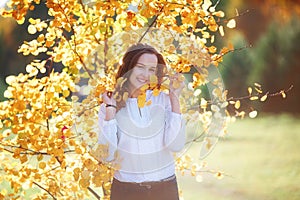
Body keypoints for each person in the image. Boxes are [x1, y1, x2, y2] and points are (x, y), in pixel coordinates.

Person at [98, 43, 185, 200]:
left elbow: (176, 145)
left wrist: (174, 98)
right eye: (140, 67)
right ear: (128, 68)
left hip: (165, 190)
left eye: (151, 69)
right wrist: (110, 110)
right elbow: (107, 155)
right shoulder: (110, 104)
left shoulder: (164, 100)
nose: (145, 74)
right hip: (126, 191)